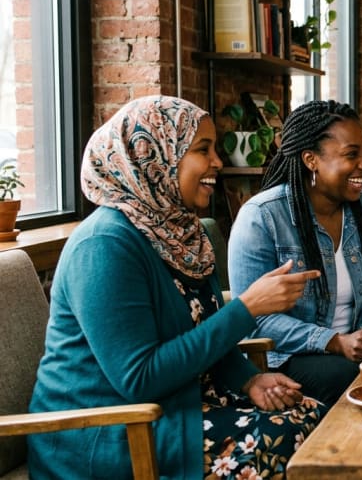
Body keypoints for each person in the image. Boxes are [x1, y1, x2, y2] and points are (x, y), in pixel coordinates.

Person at [28, 96, 324, 479]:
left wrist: (248, 379)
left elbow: (199, 336)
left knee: (310, 413)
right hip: (106, 431)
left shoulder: (179, 234)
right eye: (203, 149)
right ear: (154, 156)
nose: (217, 161)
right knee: (287, 437)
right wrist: (246, 309)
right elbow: (140, 379)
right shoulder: (104, 245)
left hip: (176, 404)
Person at [229, 100, 362, 406]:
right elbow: (254, 319)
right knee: (358, 380)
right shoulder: (262, 217)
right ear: (310, 160)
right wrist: (333, 342)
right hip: (284, 358)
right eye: (351, 155)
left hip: (353, 350)